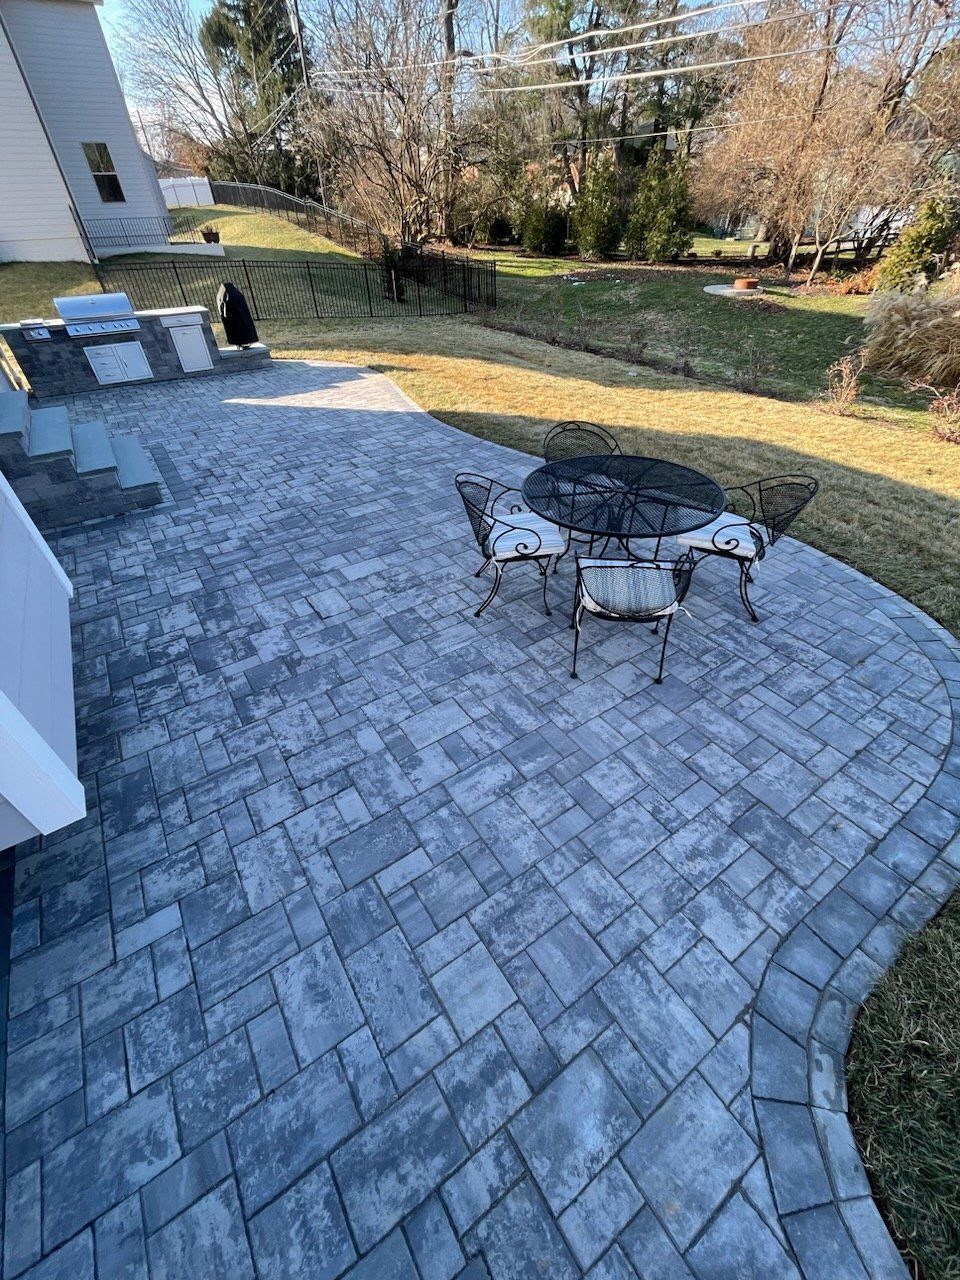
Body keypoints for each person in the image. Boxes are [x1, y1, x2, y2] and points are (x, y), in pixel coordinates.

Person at [216, 281, 259, 348]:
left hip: (234, 321)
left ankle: (241, 343)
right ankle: (245, 343)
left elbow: (224, 311)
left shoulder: (227, 295)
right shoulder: (236, 295)